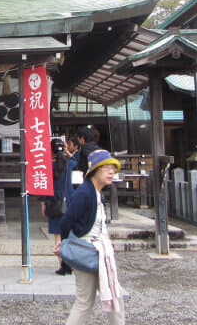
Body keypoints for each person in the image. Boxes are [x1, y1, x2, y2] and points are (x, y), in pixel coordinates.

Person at [56, 149, 125, 325]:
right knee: (86, 302)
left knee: (112, 296)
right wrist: (65, 244)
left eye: (113, 169)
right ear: (95, 170)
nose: (112, 172)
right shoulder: (85, 193)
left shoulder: (97, 192)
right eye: (107, 168)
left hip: (99, 251)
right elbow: (66, 221)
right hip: (87, 250)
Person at [41, 138, 74, 275]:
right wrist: (66, 150)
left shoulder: (48, 166)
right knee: (67, 235)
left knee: (58, 236)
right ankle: (68, 264)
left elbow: (46, 187)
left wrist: (43, 203)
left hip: (54, 201)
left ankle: (61, 265)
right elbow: (75, 160)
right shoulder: (69, 164)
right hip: (69, 201)